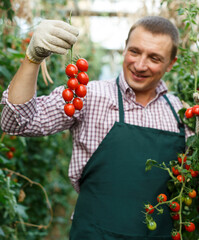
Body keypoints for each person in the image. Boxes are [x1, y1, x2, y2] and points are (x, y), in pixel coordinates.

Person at [0, 16, 193, 239]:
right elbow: (14, 123)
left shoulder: (182, 113)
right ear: (124, 49)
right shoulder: (88, 95)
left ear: (171, 63)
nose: (140, 65)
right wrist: (32, 59)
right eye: (134, 52)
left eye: (155, 58)